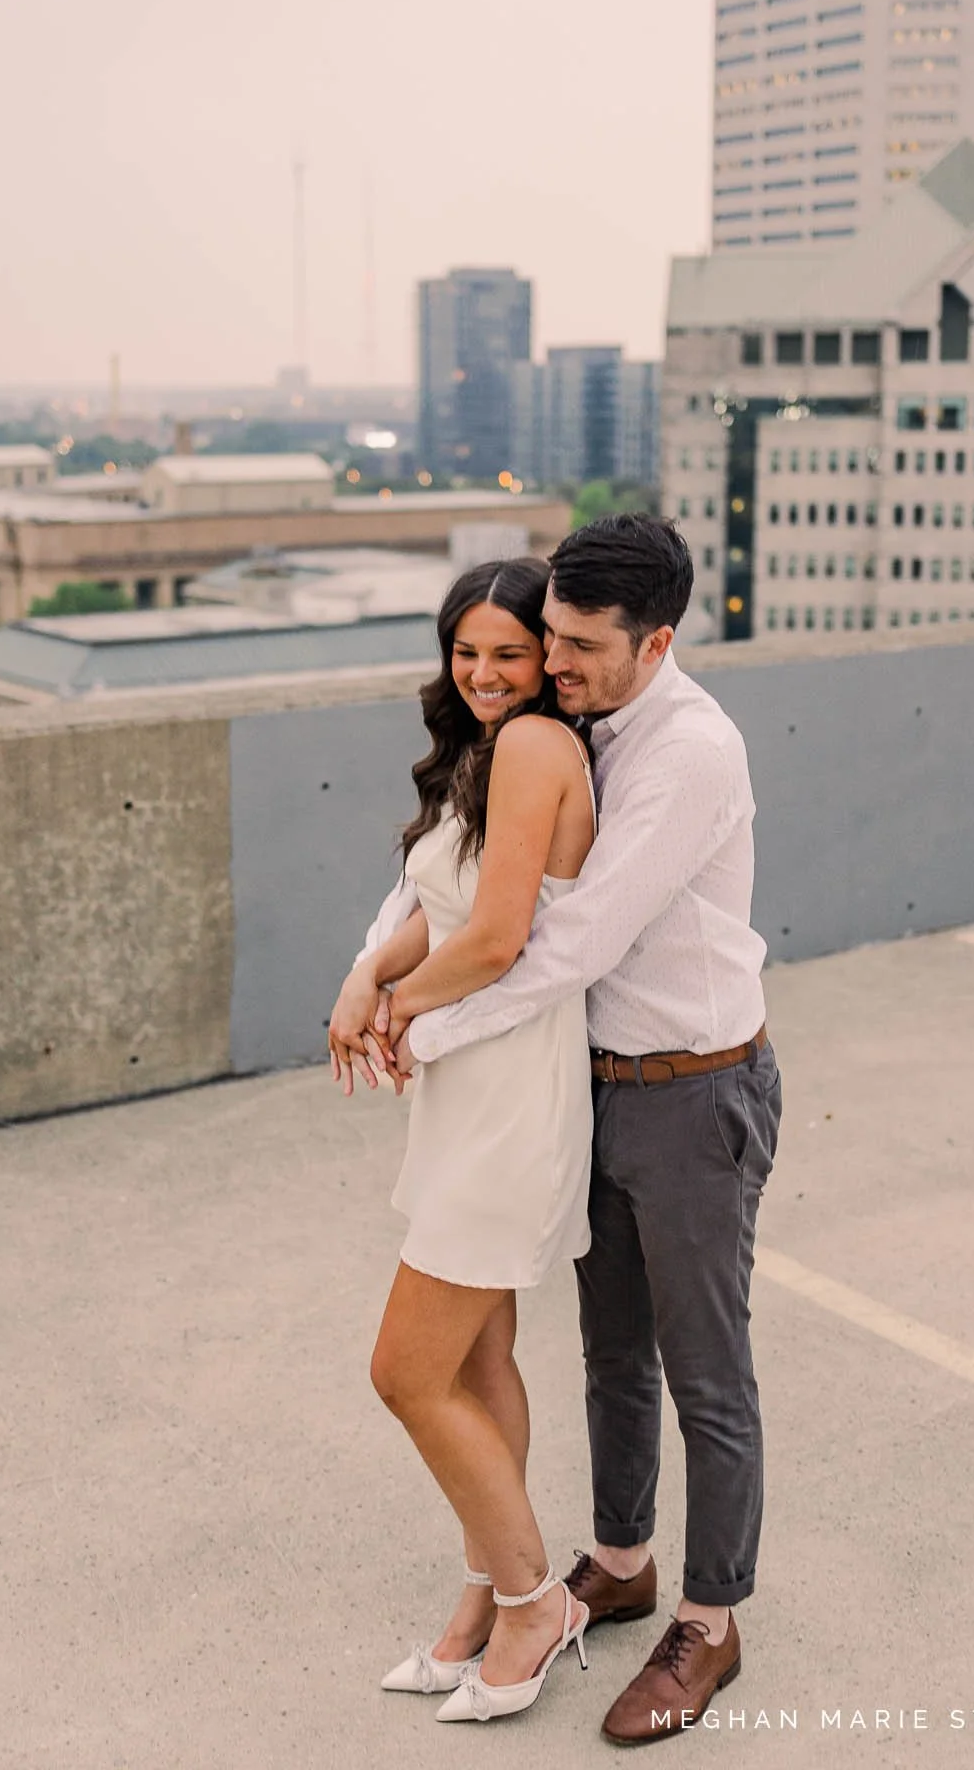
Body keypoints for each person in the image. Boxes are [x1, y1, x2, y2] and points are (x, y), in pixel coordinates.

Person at [362, 512, 783, 1747]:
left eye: (582, 646)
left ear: (658, 641)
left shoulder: (689, 750)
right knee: (608, 1356)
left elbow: (566, 939)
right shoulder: (566, 715)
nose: (553, 664)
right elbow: (449, 867)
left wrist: (414, 1028)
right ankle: (620, 1557)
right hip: (594, 1082)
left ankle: (710, 1619)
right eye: (548, 637)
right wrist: (371, 977)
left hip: (695, 1087)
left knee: (706, 1374)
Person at [328, 555, 597, 1725]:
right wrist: (365, 972)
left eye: (509, 650)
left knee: (404, 1368)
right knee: (480, 1363)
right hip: (466, 1086)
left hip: (509, 1092)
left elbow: (494, 938)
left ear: (549, 656)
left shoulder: (539, 747)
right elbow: (435, 909)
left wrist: (397, 1007)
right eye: (466, 650)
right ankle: (489, 1586)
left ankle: (540, 1599)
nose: (485, 672)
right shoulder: (485, 755)